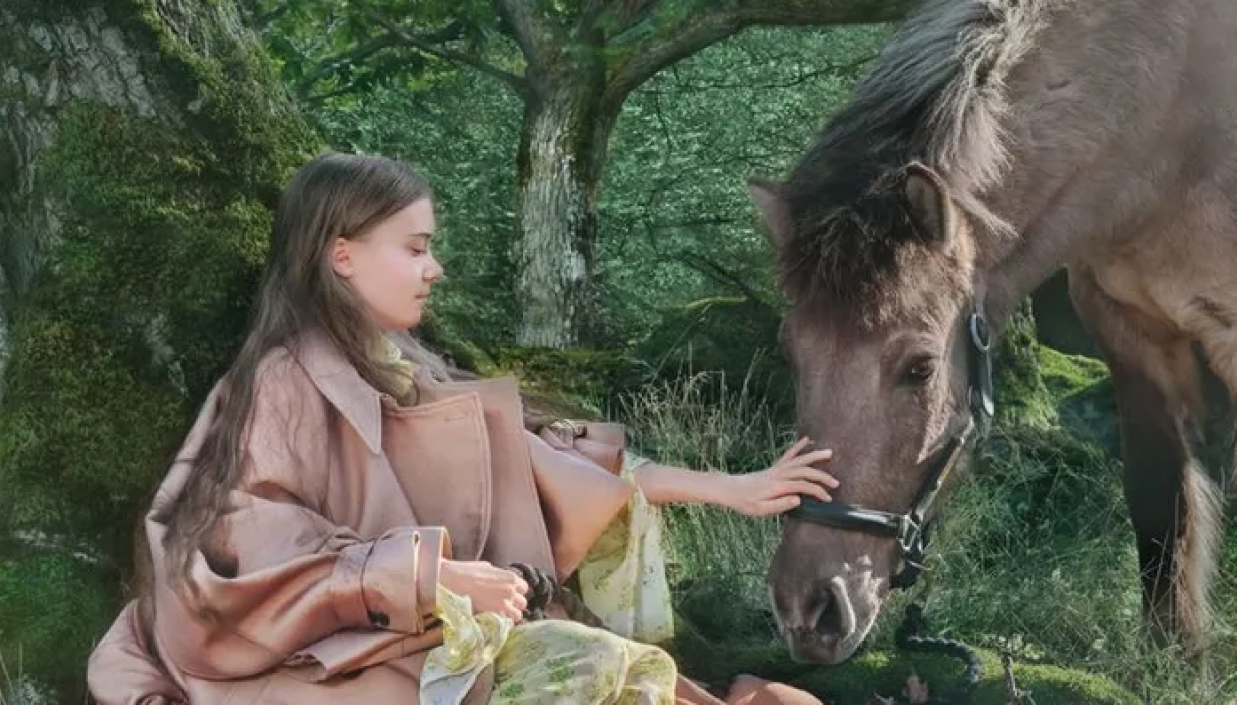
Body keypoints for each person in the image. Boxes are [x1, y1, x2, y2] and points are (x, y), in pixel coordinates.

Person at [86, 152, 839, 705]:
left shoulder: (410, 370)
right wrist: (435, 577)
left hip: (445, 645)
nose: (435, 268)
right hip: (342, 665)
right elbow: (235, 552)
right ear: (341, 254)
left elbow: (557, 463)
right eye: (414, 248)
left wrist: (734, 488)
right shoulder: (282, 382)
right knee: (596, 666)